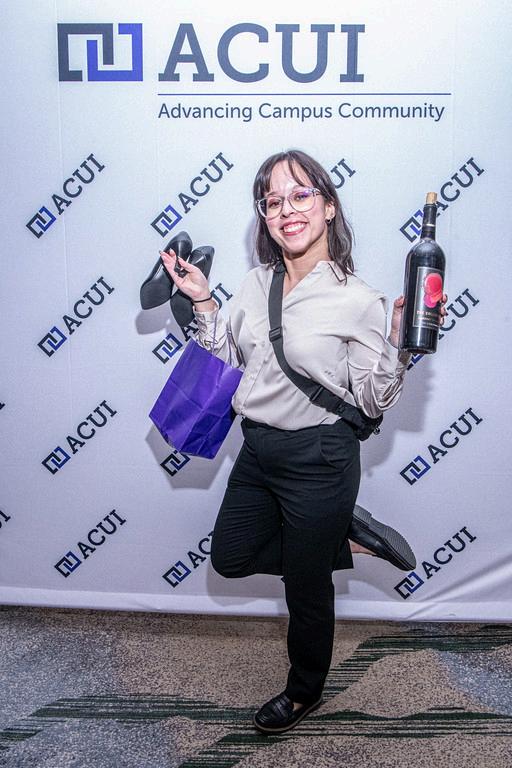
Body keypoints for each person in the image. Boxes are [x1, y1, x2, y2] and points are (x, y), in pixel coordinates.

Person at [161, 149, 447, 735]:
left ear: (328, 206)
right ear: (264, 217)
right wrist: (205, 300)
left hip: (320, 458)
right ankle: (344, 537)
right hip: (257, 448)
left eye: (300, 195)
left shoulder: (357, 299)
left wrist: (398, 345)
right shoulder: (255, 282)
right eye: (272, 202)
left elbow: (372, 399)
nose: (286, 210)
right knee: (230, 558)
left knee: (306, 589)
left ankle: (303, 691)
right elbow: (230, 357)